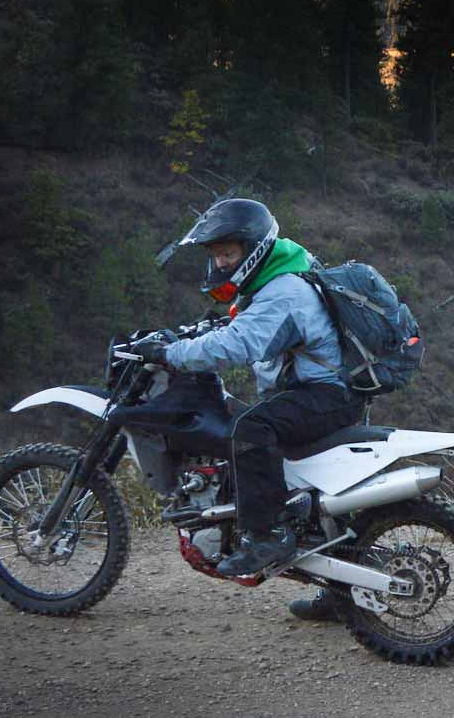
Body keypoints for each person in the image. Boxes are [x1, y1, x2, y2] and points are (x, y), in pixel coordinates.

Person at [132, 197, 359, 622]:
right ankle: (343, 593)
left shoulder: (283, 288)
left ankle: (265, 536)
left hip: (324, 394)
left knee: (251, 429)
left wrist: (172, 354)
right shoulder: (279, 275)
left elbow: (243, 344)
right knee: (314, 489)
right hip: (319, 391)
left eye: (228, 253)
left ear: (253, 248)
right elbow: (252, 329)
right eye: (216, 254)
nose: (219, 262)